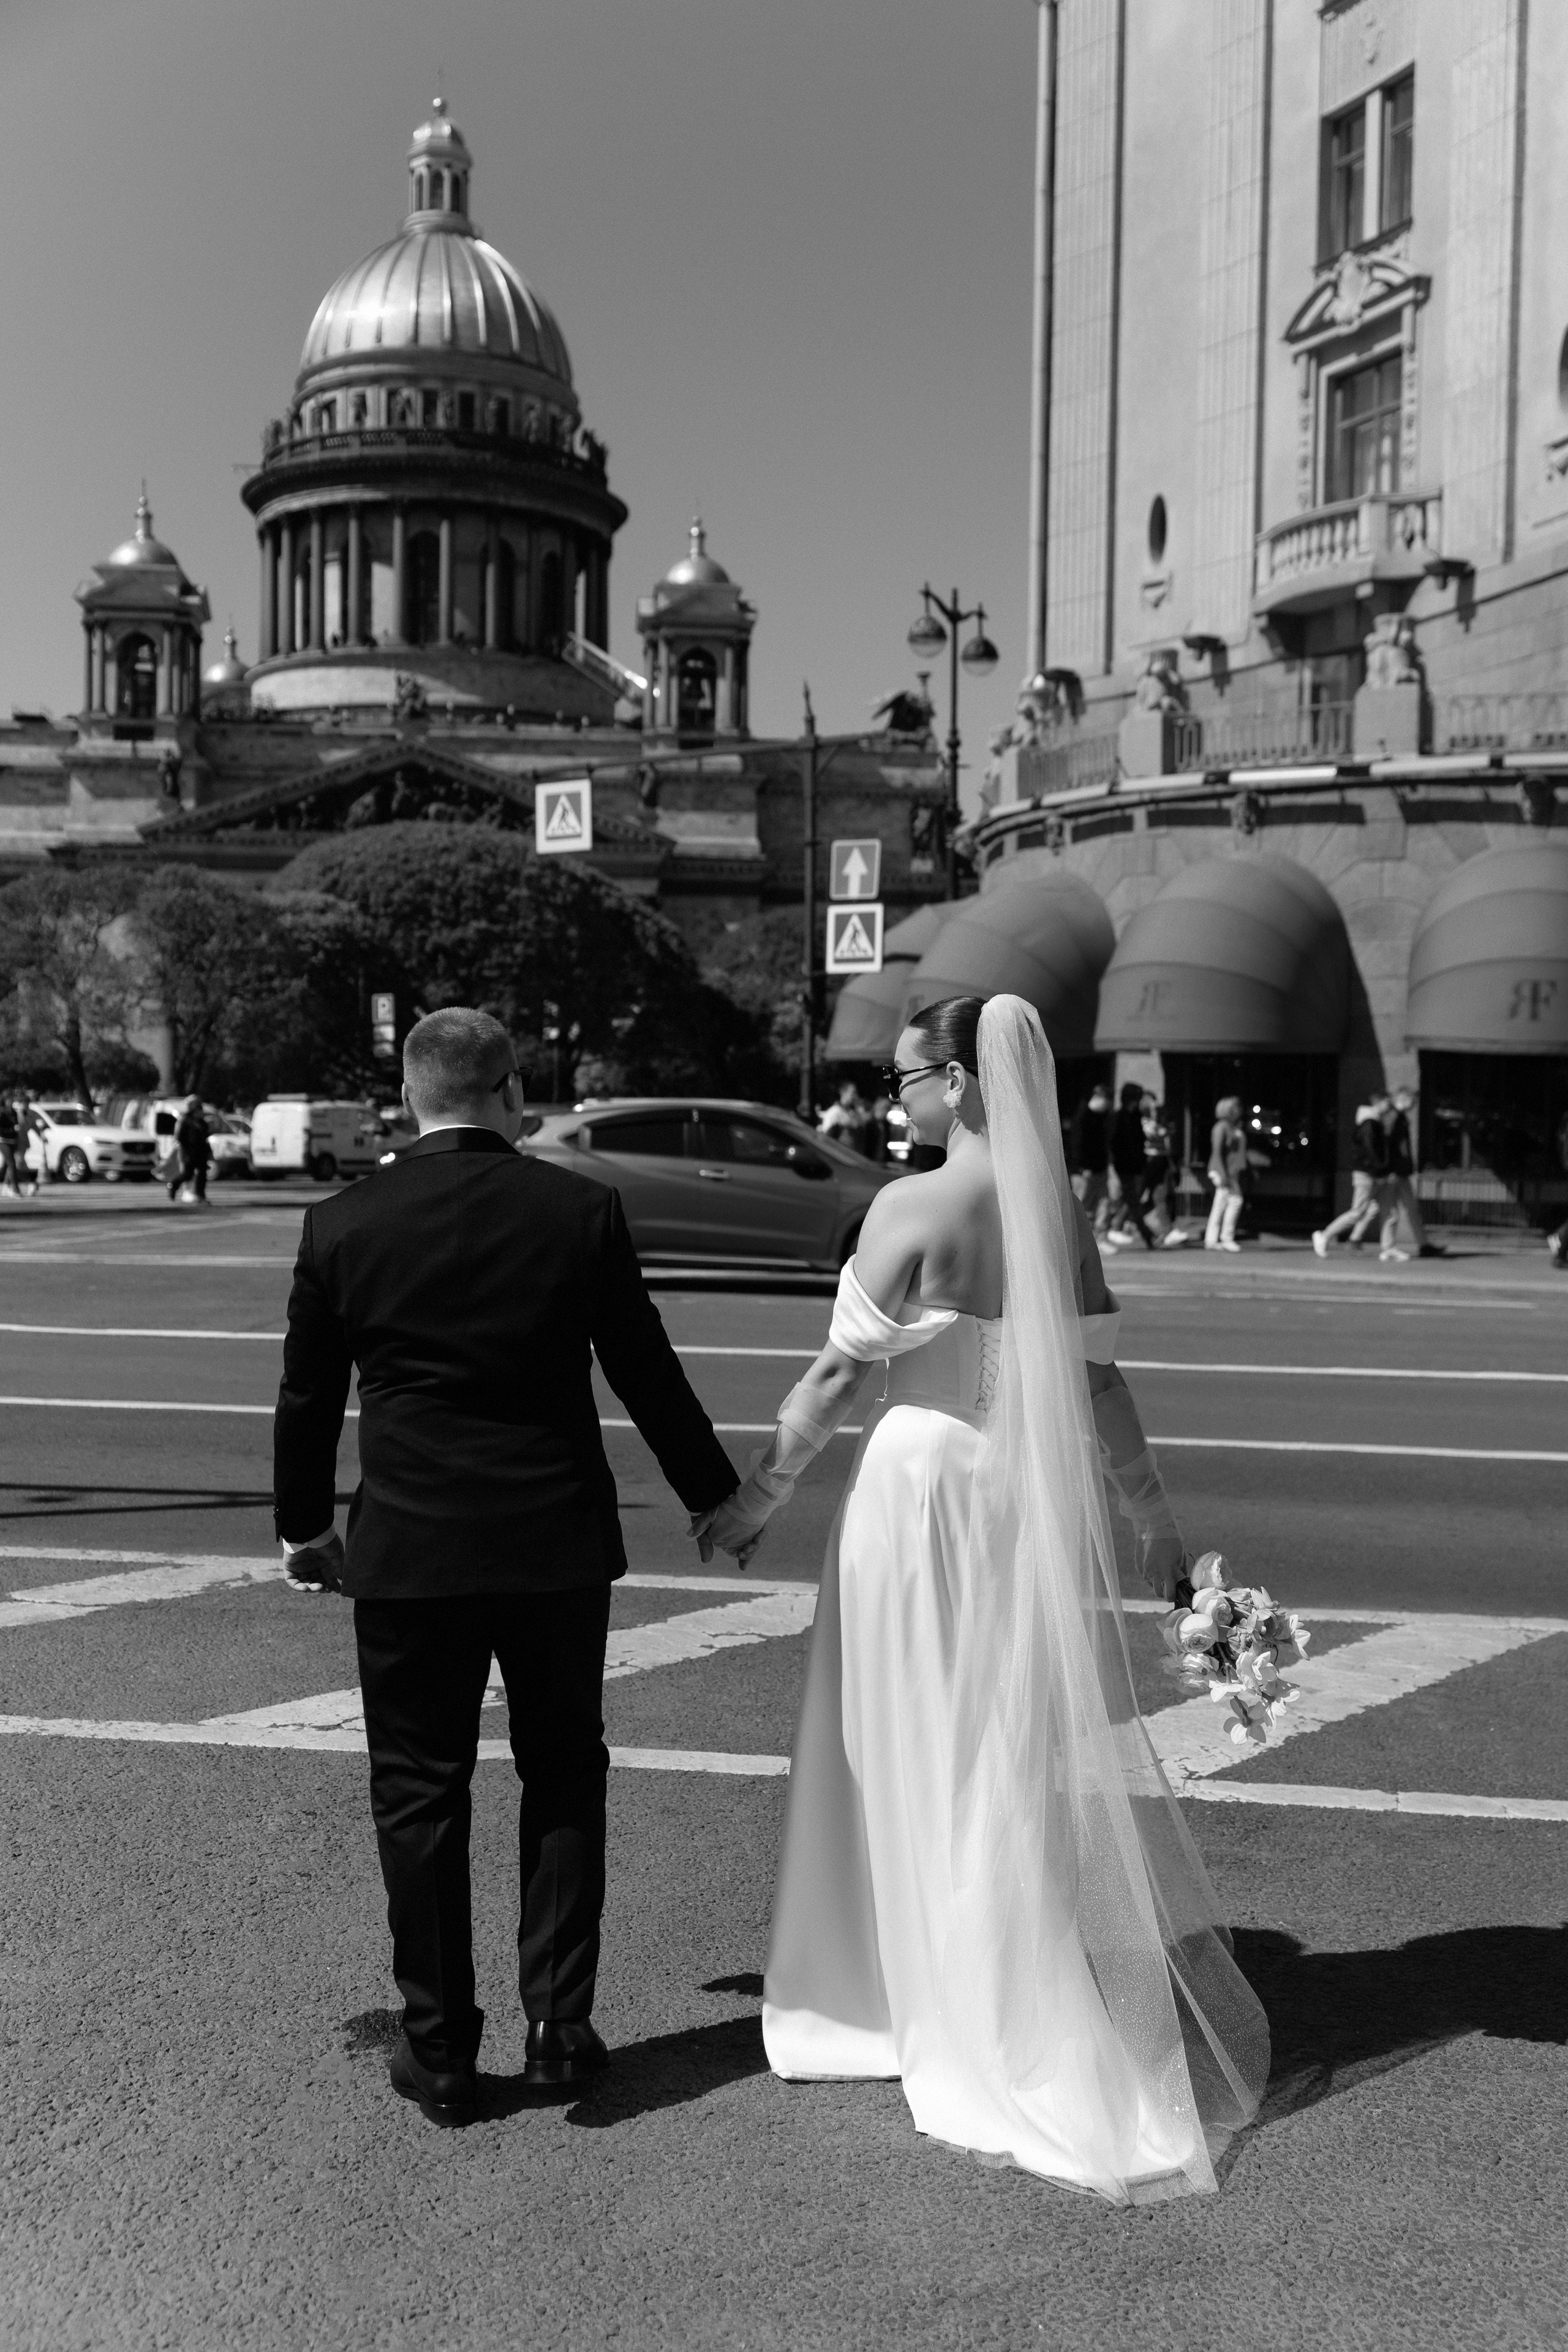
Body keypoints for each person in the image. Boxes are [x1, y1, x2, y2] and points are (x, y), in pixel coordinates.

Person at [702, 994, 1268, 2201]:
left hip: (919, 1493)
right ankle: (1001, 1977)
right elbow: (1102, 1389)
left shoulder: (912, 1206)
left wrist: (755, 1499)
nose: (896, 1096)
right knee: (996, 1748)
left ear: (958, 1081)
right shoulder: (1058, 1214)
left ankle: (887, 1994)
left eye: (905, 1077)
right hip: (1017, 1500)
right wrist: (1158, 1531)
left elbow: (837, 1375)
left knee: (890, 1739)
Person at [273, 1007, 739, 2127]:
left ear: (409, 1096)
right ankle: (560, 2029)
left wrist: (304, 1528)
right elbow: (644, 1366)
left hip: (410, 1545)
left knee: (418, 1792)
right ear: (512, 1090)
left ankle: (439, 2051)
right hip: (552, 1540)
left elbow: (307, 1396)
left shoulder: (342, 1222)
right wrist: (712, 1495)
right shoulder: (578, 1210)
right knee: (564, 1771)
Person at [1313, 1091, 1392, 1259]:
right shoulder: (1370, 1123)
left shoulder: (1372, 1122)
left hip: (1369, 1172)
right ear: (1380, 1102)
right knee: (1358, 1212)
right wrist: (1380, 1169)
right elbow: (1371, 1149)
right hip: (1367, 1173)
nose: (1389, 1106)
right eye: (1387, 1103)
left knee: (1375, 1208)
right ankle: (1325, 1235)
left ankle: (1366, 1242)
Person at [1382, 1089, 1443, 1259]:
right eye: (1412, 1102)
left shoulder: (1398, 1117)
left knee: (1410, 1210)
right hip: (1395, 1172)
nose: (1413, 1106)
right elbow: (1388, 1145)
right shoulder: (1394, 1117)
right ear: (1403, 1099)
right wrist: (1389, 1168)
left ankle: (1423, 1245)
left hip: (1400, 1171)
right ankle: (1388, 1247)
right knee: (1393, 1211)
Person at [1103, 1082, 1155, 1250]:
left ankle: (1139, 1232)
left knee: (1131, 1200)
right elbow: (1114, 1142)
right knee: (1127, 1200)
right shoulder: (1119, 1118)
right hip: (1123, 1166)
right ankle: (1144, 1234)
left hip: (1135, 1166)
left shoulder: (1135, 1116)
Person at [1204, 1095, 1248, 1251]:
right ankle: (1226, 1238)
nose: (1239, 1111)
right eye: (1236, 1108)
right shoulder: (1221, 1127)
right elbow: (1216, 1152)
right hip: (1222, 1170)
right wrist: (1223, 1174)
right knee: (1235, 1200)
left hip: (1230, 1171)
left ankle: (1212, 1239)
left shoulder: (1232, 1127)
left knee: (1221, 1203)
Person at [1067, 1082, 1112, 1232]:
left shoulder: (1102, 1117)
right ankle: (1080, 1235)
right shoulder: (1082, 1117)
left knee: (1102, 1202)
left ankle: (1100, 1234)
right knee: (1082, 1205)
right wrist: (1082, 1167)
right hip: (1083, 1171)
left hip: (1099, 1168)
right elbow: (1077, 1145)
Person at [172, 1097, 212, 1205]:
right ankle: (174, 1185)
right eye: (199, 1109)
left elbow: (205, 1136)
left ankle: (200, 1196)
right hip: (189, 1152)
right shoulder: (185, 1120)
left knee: (202, 1174)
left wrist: (208, 1151)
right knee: (188, 1174)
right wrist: (186, 1148)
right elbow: (179, 1137)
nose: (201, 1112)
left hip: (201, 1151)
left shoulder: (202, 1122)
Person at [818, 1080, 870, 1156]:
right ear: (843, 1093)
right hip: (840, 1157)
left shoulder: (853, 1113)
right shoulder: (834, 1113)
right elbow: (826, 1138)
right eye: (853, 1093)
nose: (855, 1096)